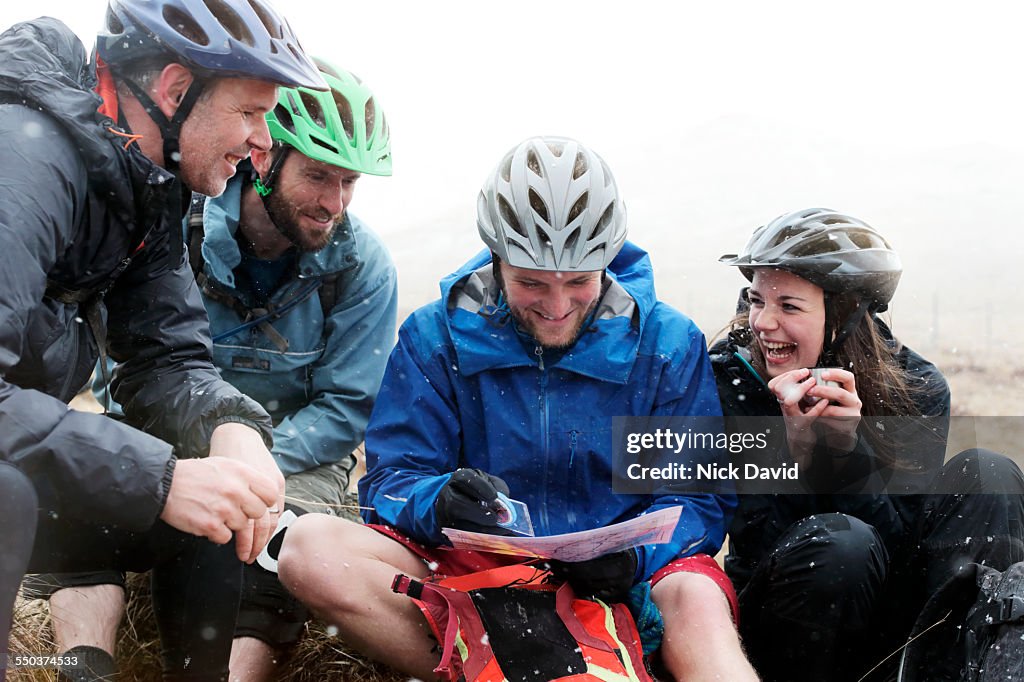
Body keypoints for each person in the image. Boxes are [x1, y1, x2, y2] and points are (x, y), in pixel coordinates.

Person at [275, 136, 758, 681]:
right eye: (530, 282)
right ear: (496, 258)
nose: (556, 307)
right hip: (477, 579)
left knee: (695, 592)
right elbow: (392, 480)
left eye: (579, 281)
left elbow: (695, 498)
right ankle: (519, 664)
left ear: (607, 259)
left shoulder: (668, 343)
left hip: (623, 585)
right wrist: (439, 501)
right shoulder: (433, 336)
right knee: (308, 549)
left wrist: (632, 559)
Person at [0, 0, 328, 680]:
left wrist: (230, 426)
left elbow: (166, 357)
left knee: (222, 498)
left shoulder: (146, 181)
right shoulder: (22, 159)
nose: (264, 141)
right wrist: (161, 480)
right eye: (250, 111)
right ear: (175, 92)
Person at [52, 60, 398, 682]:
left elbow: (345, 408)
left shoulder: (362, 267)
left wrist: (251, 465)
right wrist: (191, 463)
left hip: (300, 456)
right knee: (83, 496)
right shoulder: (173, 229)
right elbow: (121, 375)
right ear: (264, 160)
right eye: (318, 175)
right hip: (173, 434)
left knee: (270, 538)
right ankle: (85, 667)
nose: (334, 203)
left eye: (349, 182)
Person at [713, 207, 1024, 681]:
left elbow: (899, 547)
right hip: (782, 633)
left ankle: (978, 669)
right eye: (756, 299)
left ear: (842, 314)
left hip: (895, 633)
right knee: (842, 543)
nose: (763, 322)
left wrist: (844, 455)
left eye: (789, 306)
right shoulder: (729, 379)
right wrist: (792, 454)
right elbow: (751, 551)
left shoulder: (915, 386)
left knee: (988, 474)